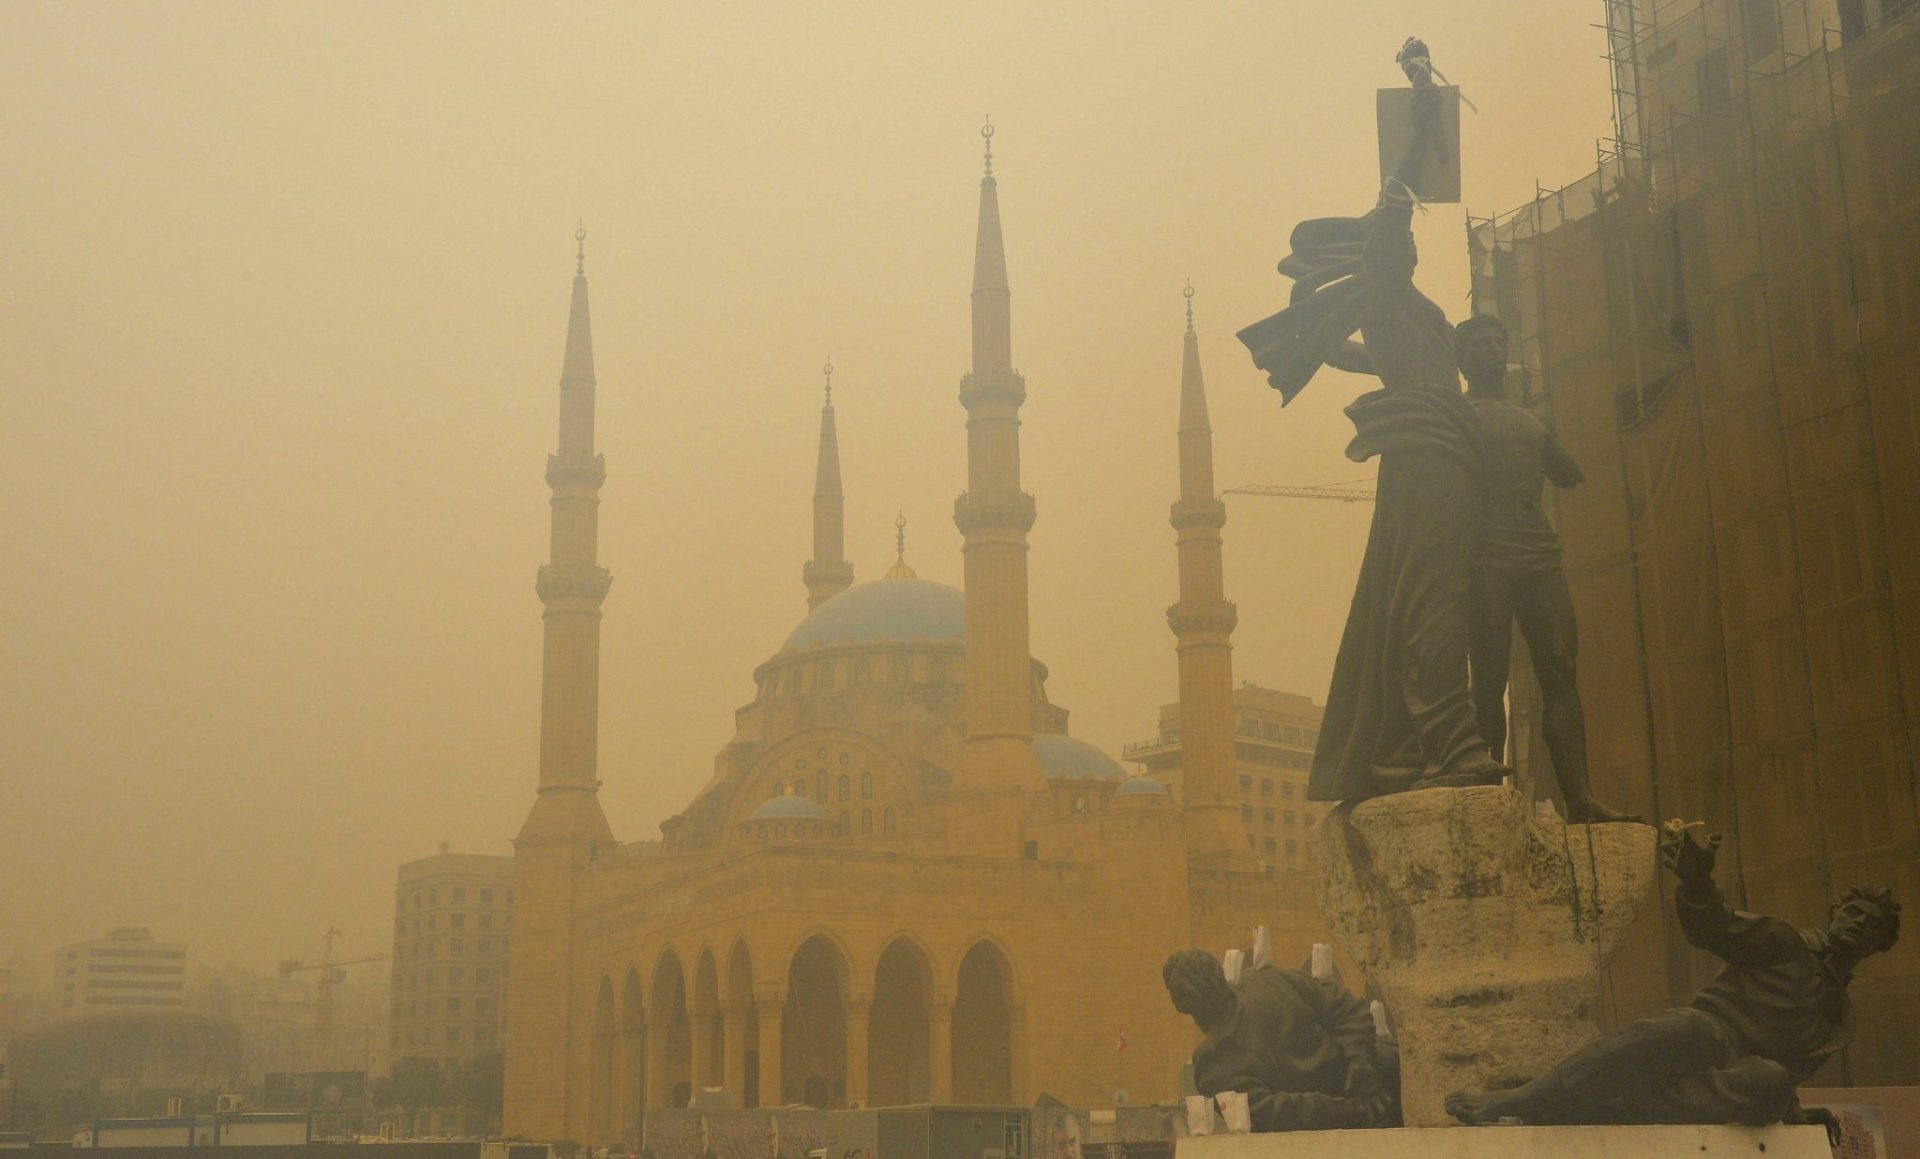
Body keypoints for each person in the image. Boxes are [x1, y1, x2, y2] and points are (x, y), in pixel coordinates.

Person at [1238, 67, 1505, 801]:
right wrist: (1423, 111)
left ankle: (1427, 739)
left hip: (1445, 445)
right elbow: (1395, 204)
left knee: (1431, 587)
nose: (1403, 241)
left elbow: (1369, 358)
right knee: (1430, 594)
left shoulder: (1411, 309)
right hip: (1424, 447)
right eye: (1392, 240)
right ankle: (1449, 741)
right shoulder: (1387, 284)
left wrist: (1330, 349)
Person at [1446, 827, 1900, 1129]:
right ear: (1835, 915)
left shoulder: (1838, 1018)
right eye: (1852, 912)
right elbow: (1714, 927)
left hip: (1739, 1076)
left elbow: (1788, 1066)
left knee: (1771, 1084)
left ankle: (1603, 1108)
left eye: (1871, 924)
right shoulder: (1784, 944)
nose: (1858, 923)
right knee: (1686, 1029)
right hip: (1708, 1038)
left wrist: (1800, 1113)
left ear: (1878, 945)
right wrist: (1697, 883)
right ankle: (1519, 1100)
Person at [1454, 314, 1636, 824]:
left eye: (1498, 342)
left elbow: (1569, 472)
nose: (1492, 351)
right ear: (1462, 360)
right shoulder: (1457, 415)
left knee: (1561, 670)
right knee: (1488, 677)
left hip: (1538, 554)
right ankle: (1486, 788)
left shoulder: (1533, 422)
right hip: (1485, 555)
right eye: (1480, 345)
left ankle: (1580, 798)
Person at [1162, 949, 1400, 1131]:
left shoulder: (1213, 1062)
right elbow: (1348, 1008)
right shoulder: (1268, 979)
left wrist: (1356, 1090)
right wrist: (1359, 1060)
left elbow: (1274, 1114)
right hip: (1390, 1075)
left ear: (1181, 1004)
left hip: (1363, 1112)